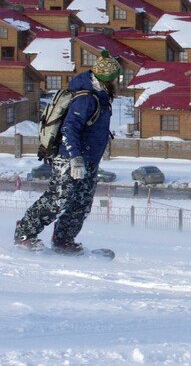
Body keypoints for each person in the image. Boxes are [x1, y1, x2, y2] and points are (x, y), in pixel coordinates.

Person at [13, 51, 120, 254]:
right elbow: (69, 129)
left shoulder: (101, 96)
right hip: (69, 159)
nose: (118, 81)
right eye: (116, 77)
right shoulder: (86, 98)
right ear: (108, 78)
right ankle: (25, 233)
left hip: (88, 160)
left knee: (81, 203)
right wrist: (75, 159)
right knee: (58, 198)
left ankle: (63, 240)